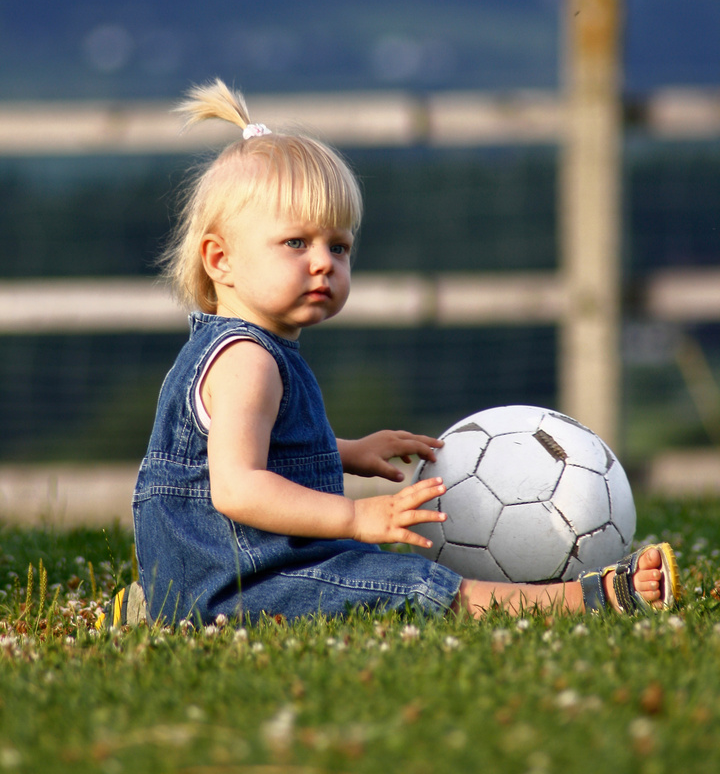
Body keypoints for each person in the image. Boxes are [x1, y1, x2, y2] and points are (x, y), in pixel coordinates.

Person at [103, 80, 678, 629]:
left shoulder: (245, 349)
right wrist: (356, 516)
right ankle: (581, 599)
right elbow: (236, 487)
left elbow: (247, 451)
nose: (323, 261)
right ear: (219, 260)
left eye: (339, 245)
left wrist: (346, 452)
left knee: (371, 568)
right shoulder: (246, 362)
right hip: (247, 580)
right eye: (296, 243)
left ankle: (166, 599)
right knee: (409, 586)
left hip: (235, 569)